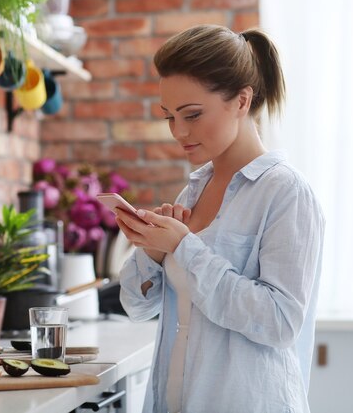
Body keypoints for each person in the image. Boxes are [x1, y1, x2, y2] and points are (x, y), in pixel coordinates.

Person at [115, 24, 325, 413]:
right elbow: (137, 307)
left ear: (242, 101)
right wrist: (152, 251)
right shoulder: (192, 192)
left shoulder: (286, 193)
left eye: (192, 114)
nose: (178, 132)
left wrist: (183, 247)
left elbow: (279, 322)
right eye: (169, 116)